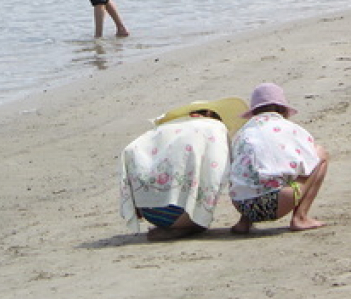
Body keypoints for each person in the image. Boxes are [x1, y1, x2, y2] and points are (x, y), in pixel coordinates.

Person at [120, 97, 249, 241]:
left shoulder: (164, 129)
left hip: (147, 210)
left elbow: (131, 150)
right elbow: (220, 170)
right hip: (179, 213)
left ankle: (171, 222)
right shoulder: (214, 128)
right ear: (208, 114)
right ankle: (181, 228)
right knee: (200, 222)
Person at [229, 83, 330, 234]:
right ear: (282, 109)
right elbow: (307, 161)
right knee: (321, 155)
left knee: (247, 170)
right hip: (277, 203)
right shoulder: (289, 128)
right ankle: (300, 217)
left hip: (241, 203)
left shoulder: (242, 133)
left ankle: (244, 222)